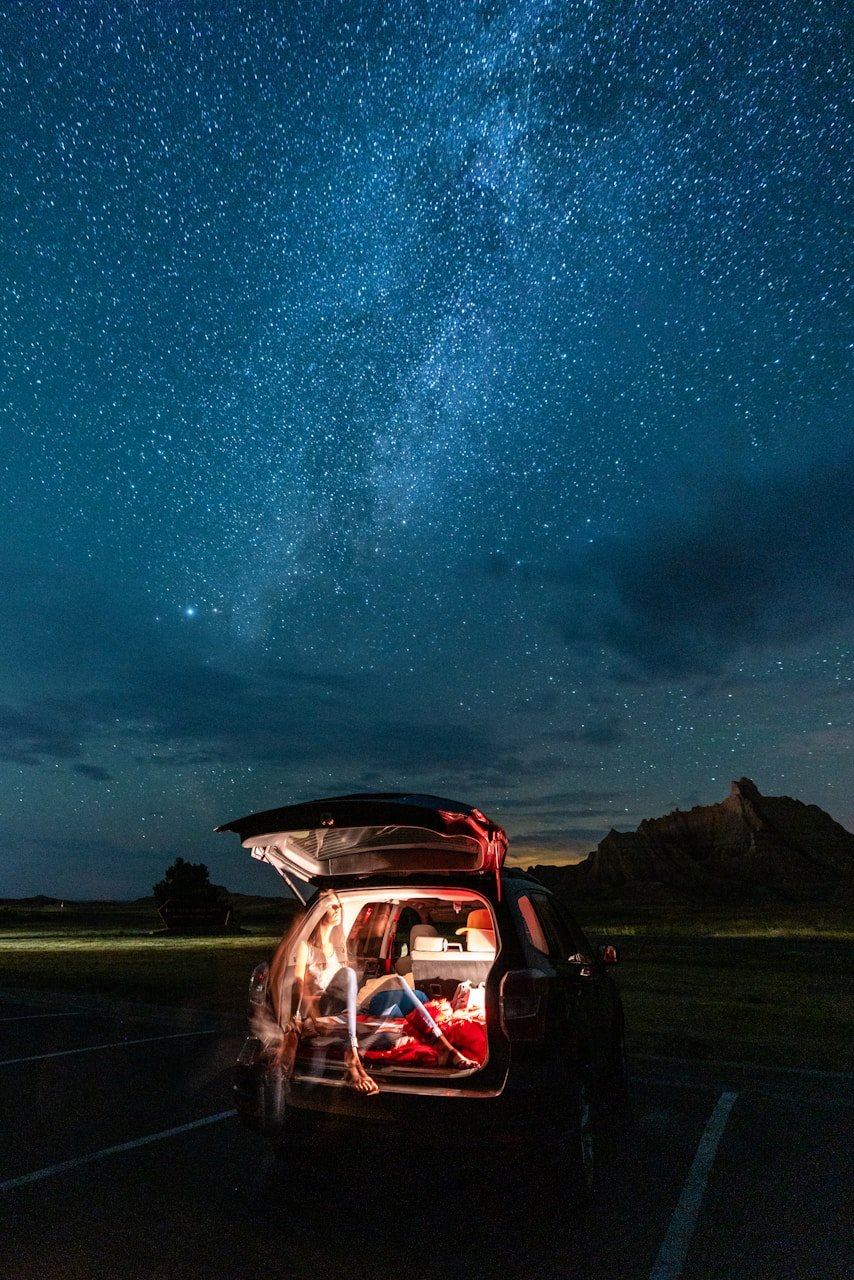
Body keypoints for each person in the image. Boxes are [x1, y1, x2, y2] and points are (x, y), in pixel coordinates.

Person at [278, 895, 477, 1094]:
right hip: (327, 1006)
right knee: (347, 974)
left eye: (339, 906)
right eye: (332, 906)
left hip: (351, 1007)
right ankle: (352, 1056)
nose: (338, 910)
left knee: (400, 983)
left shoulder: (338, 946)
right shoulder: (306, 947)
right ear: (322, 912)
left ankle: (443, 1046)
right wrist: (313, 1016)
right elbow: (301, 986)